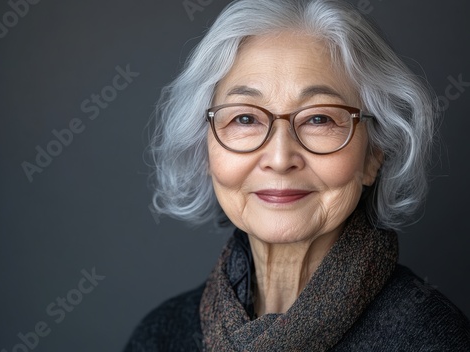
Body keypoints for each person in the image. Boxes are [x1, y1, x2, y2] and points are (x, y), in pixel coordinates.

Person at [124, 0, 470, 350]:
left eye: (319, 119)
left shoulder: (431, 339)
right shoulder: (161, 336)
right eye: (245, 119)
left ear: (373, 155)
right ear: (205, 149)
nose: (279, 158)